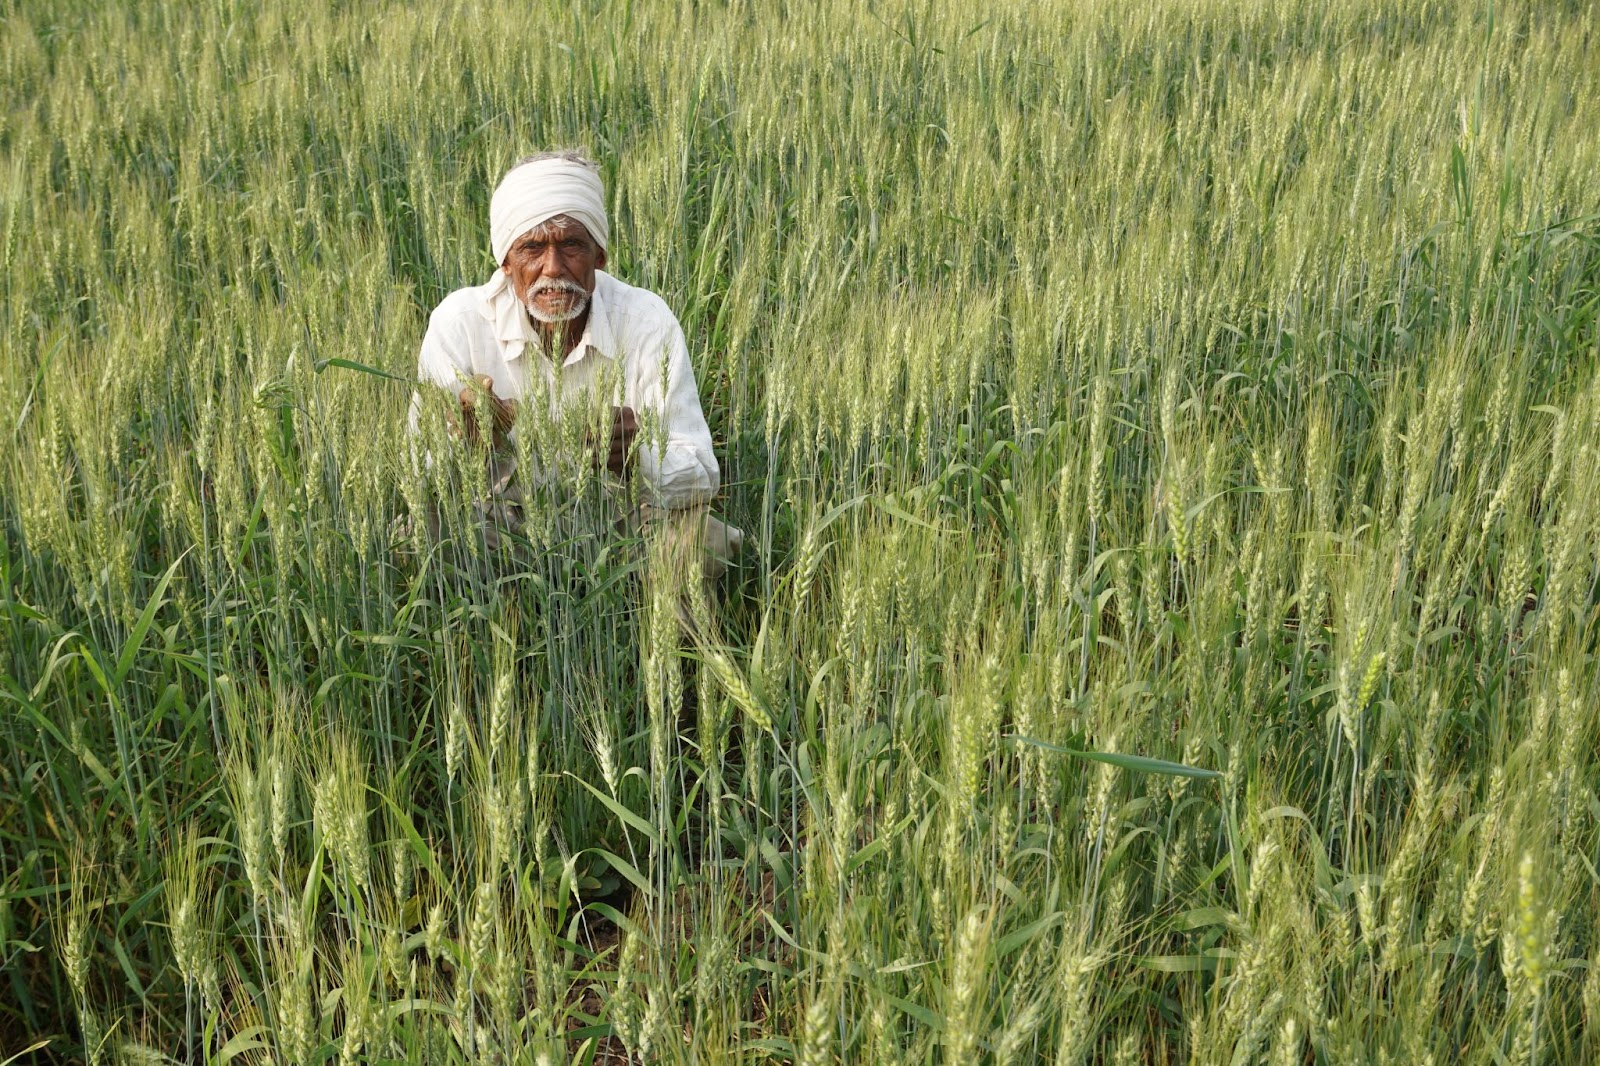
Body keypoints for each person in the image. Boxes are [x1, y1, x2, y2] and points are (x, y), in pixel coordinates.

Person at [402, 150, 741, 592]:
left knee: (701, 542)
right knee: (413, 542)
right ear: (505, 263)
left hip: (615, 524)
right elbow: (416, 475)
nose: (553, 269)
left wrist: (637, 455)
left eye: (571, 245)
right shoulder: (459, 323)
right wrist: (462, 441)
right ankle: (478, 646)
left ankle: (671, 659)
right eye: (532, 248)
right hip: (498, 525)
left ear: (599, 254)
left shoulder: (646, 321)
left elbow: (701, 473)